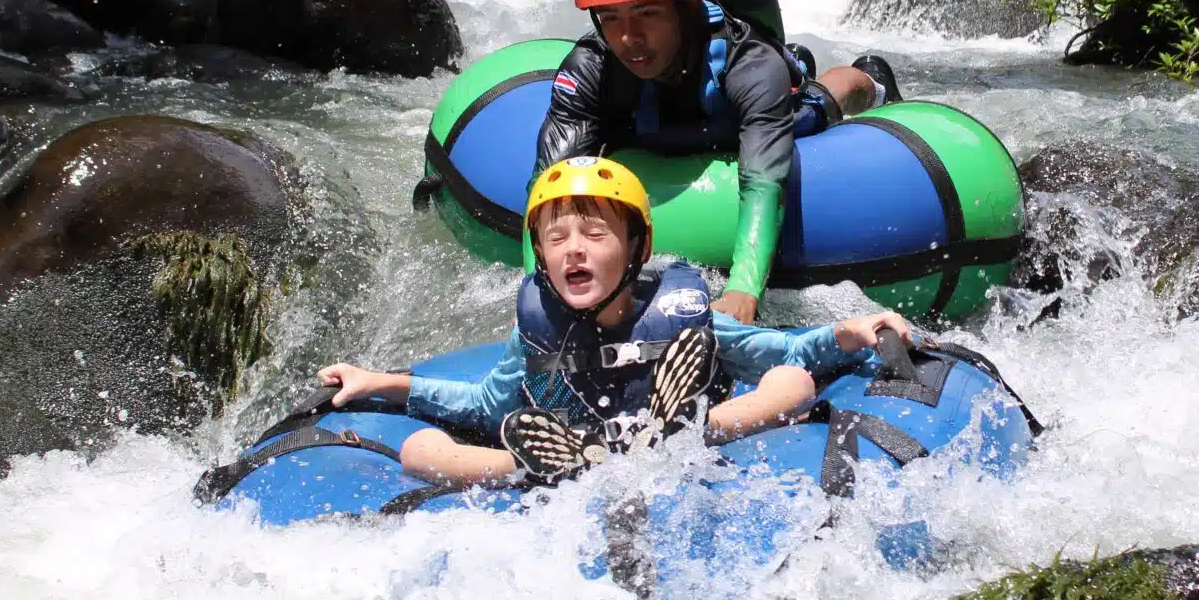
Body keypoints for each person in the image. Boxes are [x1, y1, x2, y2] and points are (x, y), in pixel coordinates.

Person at [317, 156, 917, 486]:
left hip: (688, 433)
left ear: (636, 249)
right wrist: (385, 383)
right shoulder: (535, 330)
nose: (573, 249)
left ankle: (661, 436)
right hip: (572, 451)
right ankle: (558, 458)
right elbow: (485, 405)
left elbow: (771, 351)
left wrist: (846, 333)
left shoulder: (679, 313)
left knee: (792, 385)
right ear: (542, 255)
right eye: (556, 238)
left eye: (595, 233)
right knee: (421, 455)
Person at [537, 0, 901, 325]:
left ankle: (871, 78)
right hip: (656, 124)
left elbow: (764, 182)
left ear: (687, 7)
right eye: (611, 18)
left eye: (647, 13)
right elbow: (549, 184)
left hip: (734, 116)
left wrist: (743, 288)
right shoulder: (592, 66)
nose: (628, 38)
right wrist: (542, 292)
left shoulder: (748, 63)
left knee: (817, 106)